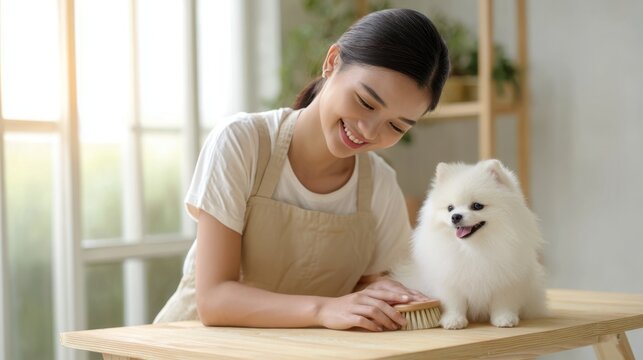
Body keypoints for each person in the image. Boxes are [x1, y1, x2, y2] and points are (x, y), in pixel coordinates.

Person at [154, 8, 450, 332]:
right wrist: (322, 309)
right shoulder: (242, 142)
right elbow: (213, 300)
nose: (368, 131)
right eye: (366, 102)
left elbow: (367, 286)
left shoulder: (379, 184)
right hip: (195, 345)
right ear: (332, 61)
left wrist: (377, 293)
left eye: (395, 126)